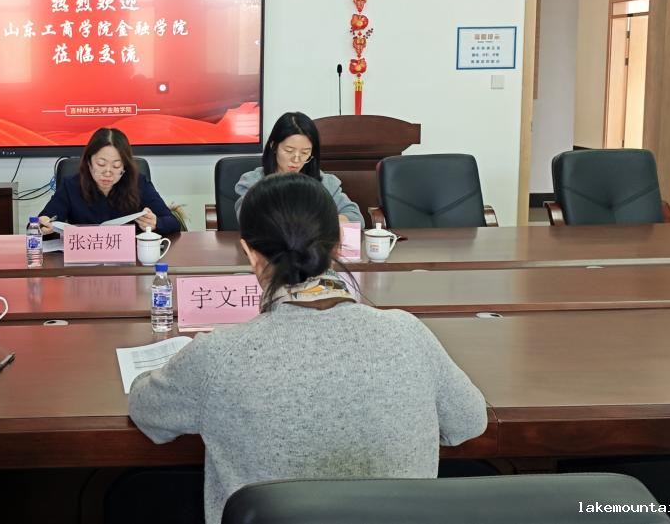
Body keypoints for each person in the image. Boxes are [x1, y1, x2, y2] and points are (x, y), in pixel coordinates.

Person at [129, 172, 487, 524]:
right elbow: (468, 422)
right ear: (336, 245)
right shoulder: (407, 333)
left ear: (250, 253)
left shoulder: (219, 354)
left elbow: (148, 411)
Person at [39, 127, 180, 235]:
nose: (107, 172)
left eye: (116, 166)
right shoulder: (71, 186)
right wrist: (44, 226)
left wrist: (156, 223)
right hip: (84, 259)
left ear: (124, 166)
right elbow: (39, 224)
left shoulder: (138, 183)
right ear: (89, 162)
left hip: (129, 261)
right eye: (101, 164)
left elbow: (173, 222)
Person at [234, 111, 363, 224]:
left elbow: (355, 217)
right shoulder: (253, 181)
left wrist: (332, 221)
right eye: (289, 150)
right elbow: (246, 217)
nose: (296, 159)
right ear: (274, 146)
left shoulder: (325, 182)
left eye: (305, 152)